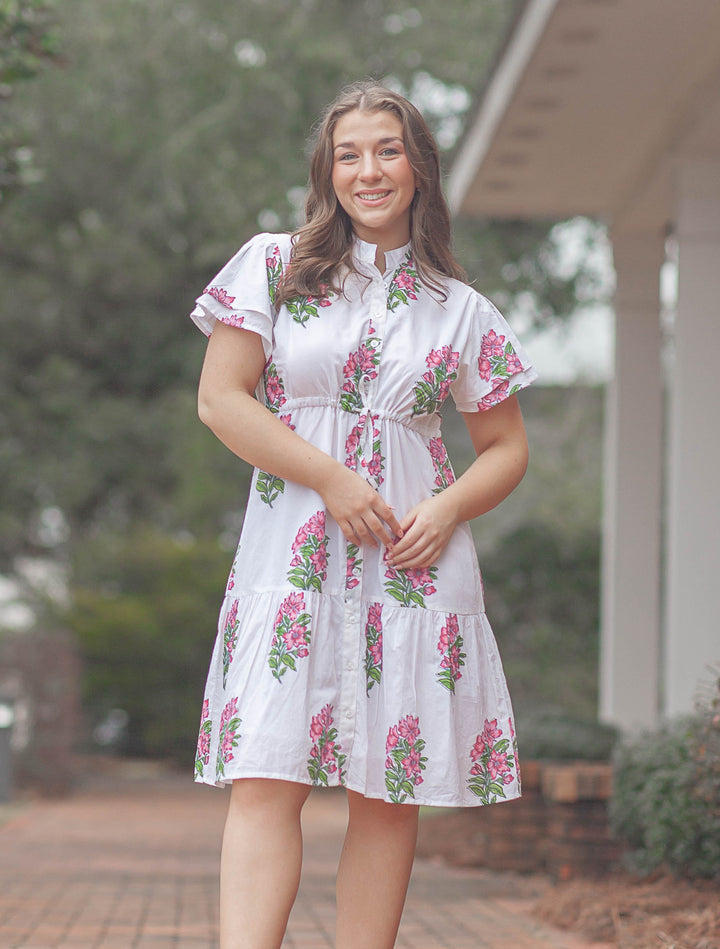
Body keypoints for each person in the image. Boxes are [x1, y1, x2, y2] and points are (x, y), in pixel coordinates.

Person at [190, 80, 537, 949]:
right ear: (327, 170)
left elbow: (506, 447)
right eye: (349, 153)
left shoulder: (462, 311)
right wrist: (333, 480)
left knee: (388, 789)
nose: (368, 170)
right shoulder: (272, 265)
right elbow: (222, 401)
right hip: (293, 556)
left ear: (418, 167)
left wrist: (449, 507)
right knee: (268, 774)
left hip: (413, 563)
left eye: (387, 150)